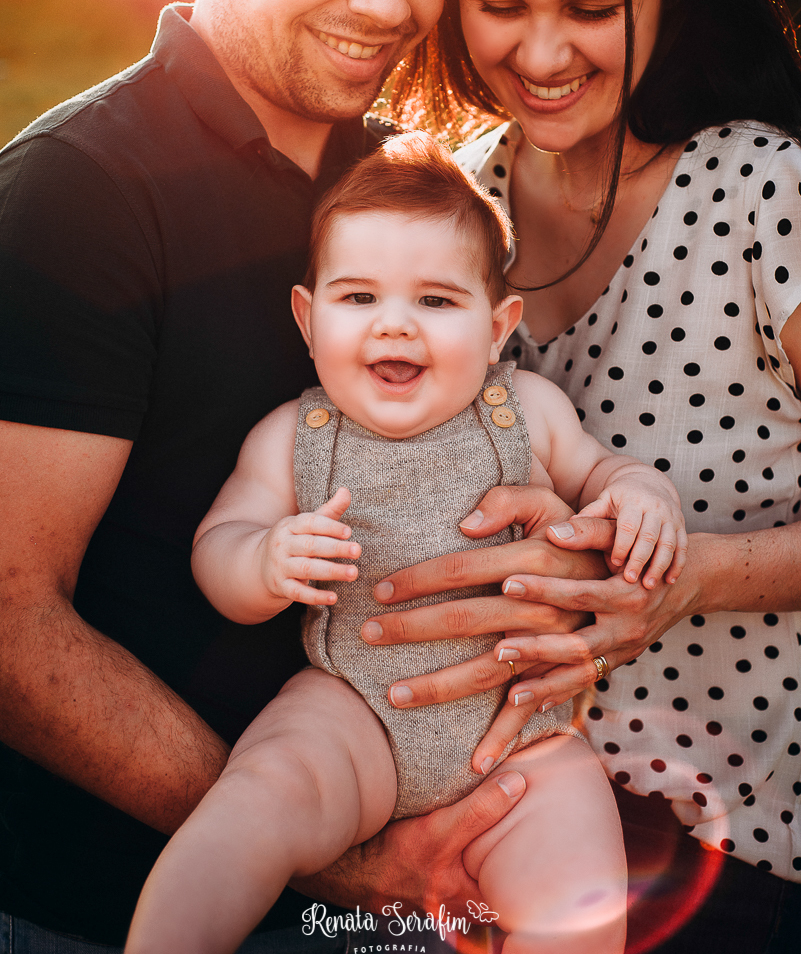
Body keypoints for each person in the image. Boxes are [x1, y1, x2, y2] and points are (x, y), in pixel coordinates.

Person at [0, 0, 547, 950]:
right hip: (112, 900)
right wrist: (323, 854)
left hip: (399, 858)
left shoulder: (403, 186)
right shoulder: (80, 192)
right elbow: (9, 621)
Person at [386, 0, 801, 950]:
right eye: (499, 3)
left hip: (742, 859)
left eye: (591, 6)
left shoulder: (760, 192)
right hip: (504, 846)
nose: (542, 54)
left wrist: (697, 579)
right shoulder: (451, 207)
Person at [126, 133, 693, 954]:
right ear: (307, 317)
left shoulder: (524, 410)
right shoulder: (295, 436)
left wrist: (641, 490)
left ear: (498, 326)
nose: (396, 326)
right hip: (355, 710)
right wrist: (265, 559)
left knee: (580, 884)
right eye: (358, 299)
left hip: (518, 733)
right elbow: (219, 546)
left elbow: (601, 471)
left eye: (435, 301)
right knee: (260, 793)